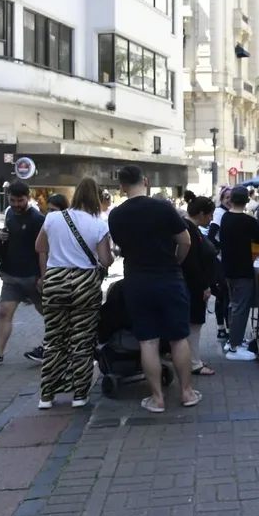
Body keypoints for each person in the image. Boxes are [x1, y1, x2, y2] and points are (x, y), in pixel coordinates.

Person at [108, 165, 201, 412]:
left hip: (136, 281)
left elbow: (120, 247)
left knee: (147, 342)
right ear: (146, 181)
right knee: (179, 339)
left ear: (121, 187)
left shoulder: (115, 215)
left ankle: (157, 399)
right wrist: (176, 262)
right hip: (169, 278)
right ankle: (187, 393)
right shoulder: (163, 207)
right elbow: (186, 240)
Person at [34, 176, 114, 409]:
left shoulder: (53, 218)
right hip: (85, 283)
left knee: (54, 339)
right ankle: (79, 395)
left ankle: (46, 396)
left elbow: (39, 247)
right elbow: (106, 261)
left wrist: (59, 251)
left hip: (56, 280)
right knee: (82, 340)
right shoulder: (99, 224)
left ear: (75, 196)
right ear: (97, 199)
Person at [0, 180, 47, 367]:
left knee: (48, 314)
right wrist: (0, 236)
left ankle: (50, 349)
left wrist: (43, 276)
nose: (16, 204)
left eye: (20, 201)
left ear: (28, 198)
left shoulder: (38, 219)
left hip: (33, 277)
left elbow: (43, 250)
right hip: (11, 276)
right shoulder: (9, 214)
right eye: (13, 200)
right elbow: (7, 236)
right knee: (4, 312)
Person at [218, 185, 259, 361]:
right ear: (247, 201)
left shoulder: (225, 218)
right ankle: (234, 347)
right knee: (240, 308)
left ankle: (233, 339)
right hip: (243, 270)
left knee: (233, 305)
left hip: (228, 269)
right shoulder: (248, 221)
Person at [181, 194, 218, 377]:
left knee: (192, 326)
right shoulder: (190, 230)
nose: (211, 219)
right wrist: (204, 286)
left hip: (192, 284)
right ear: (201, 214)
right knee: (193, 326)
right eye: (209, 215)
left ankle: (191, 360)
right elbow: (192, 263)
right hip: (193, 286)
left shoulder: (189, 228)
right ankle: (193, 362)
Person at [208, 186, 232, 341]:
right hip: (220, 262)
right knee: (223, 296)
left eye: (232, 197)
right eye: (227, 197)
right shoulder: (219, 213)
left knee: (225, 297)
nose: (229, 200)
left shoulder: (227, 213)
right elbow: (211, 235)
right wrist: (220, 248)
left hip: (225, 261)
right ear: (222, 199)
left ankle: (225, 329)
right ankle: (222, 329)